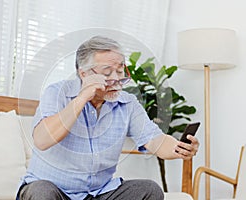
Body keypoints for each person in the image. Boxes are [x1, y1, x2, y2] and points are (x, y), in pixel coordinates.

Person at [16, 36, 199, 200]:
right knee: (41, 192)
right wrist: (82, 98)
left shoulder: (127, 103)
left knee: (149, 190)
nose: (117, 79)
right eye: (107, 72)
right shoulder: (56, 93)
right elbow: (42, 140)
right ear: (84, 74)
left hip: (98, 193)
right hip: (54, 191)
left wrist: (178, 148)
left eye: (120, 71)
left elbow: (155, 140)